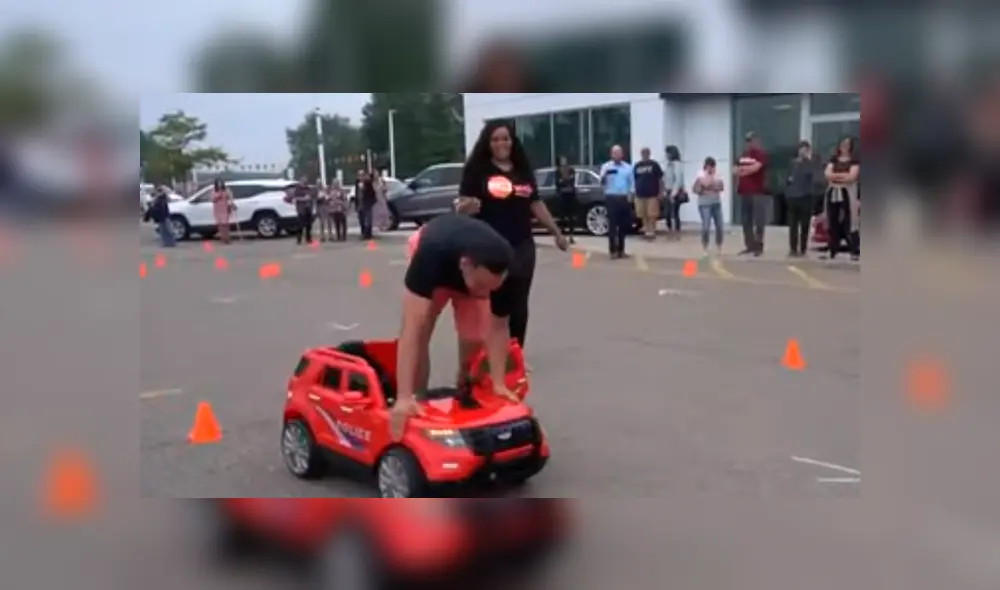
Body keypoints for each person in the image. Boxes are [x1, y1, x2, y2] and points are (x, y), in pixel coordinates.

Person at [391, 213, 516, 440]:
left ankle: (464, 384)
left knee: (475, 337)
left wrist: (499, 383)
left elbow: (499, 327)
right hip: (435, 258)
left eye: (491, 289)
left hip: (468, 264)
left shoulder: (504, 272)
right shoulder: (430, 255)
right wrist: (402, 396)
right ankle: (417, 398)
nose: (486, 293)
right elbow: (410, 331)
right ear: (465, 265)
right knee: (421, 332)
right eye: (481, 285)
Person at [453, 119, 568, 353]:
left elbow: (535, 204)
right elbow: (461, 204)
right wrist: (466, 207)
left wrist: (556, 232)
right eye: (495, 139)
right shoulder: (478, 171)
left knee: (519, 301)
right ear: (488, 143)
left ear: (512, 141)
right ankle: (490, 352)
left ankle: (515, 353)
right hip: (489, 246)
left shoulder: (522, 172)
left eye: (505, 138)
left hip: (522, 244)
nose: (501, 143)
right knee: (494, 302)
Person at [823, 136, 860, 261]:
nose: (844, 146)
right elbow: (827, 174)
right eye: (842, 144)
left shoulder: (854, 160)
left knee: (850, 221)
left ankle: (854, 250)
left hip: (847, 192)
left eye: (847, 144)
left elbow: (852, 177)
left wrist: (836, 176)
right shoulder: (833, 159)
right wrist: (842, 176)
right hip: (833, 192)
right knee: (832, 219)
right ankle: (833, 249)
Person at [735, 132, 769, 256]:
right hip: (744, 191)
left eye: (751, 140)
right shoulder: (743, 155)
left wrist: (744, 170)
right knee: (746, 220)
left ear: (757, 141)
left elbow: (757, 168)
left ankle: (758, 246)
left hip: (757, 192)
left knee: (759, 220)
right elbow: (735, 170)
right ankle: (749, 245)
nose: (749, 143)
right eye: (747, 141)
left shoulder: (761, 154)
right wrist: (746, 170)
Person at [785, 140, 821, 257]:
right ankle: (793, 248)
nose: (803, 151)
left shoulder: (811, 163)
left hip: (806, 196)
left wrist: (807, 160)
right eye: (801, 149)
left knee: (805, 224)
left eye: (805, 149)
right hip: (793, 197)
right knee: (793, 224)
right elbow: (787, 178)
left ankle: (803, 248)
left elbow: (815, 177)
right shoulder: (793, 163)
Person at [599, 145, 634, 259]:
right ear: (611, 154)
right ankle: (612, 250)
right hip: (611, 197)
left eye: (619, 153)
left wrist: (631, 194)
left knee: (623, 225)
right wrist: (606, 175)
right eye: (614, 153)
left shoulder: (628, 167)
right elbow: (601, 182)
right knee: (612, 225)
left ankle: (621, 250)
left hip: (624, 197)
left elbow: (632, 183)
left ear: (622, 154)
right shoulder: (606, 166)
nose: (617, 155)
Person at [692, 157, 724, 256]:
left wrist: (707, 186)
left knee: (719, 226)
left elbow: (720, 187)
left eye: (712, 167)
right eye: (708, 167)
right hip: (704, 204)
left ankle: (719, 246)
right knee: (706, 226)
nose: (710, 169)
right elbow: (697, 189)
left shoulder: (717, 174)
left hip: (716, 203)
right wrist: (707, 185)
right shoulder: (700, 174)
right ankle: (705, 247)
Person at [632, 147, 664, 240]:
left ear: (649, 154)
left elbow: (660, 179)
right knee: (642, 213)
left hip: (652, 194)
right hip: (640, 193)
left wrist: (661, 192)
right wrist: (633, 191)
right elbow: (635, 179)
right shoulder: (637, 165)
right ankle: (646, 229)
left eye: (646, 153)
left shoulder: (654, 164)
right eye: (643, 153)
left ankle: (652, 230)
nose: (644, 154)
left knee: (652, 213)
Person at [663, 145, 686, 239]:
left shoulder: (677, 165)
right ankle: (670, 230)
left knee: (674, 213)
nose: (666, 155)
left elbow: (678, 180)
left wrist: (673, 193)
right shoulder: (668, 164)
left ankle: (676, 232)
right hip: (668, 190)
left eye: (667, 153)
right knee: (667, 213)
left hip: (674, 192)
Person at [555, 156, 577, 244]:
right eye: (562, 160)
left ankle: (571, 236)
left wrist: (563, 180)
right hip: (562, 196)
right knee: (562, 217)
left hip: (570, 195)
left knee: (571, 217)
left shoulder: (571, 170)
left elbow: (572, 180)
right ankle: (562, 236)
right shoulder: (557, 171)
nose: (564, 162)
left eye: (565, 160)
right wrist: (565, 180)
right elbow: (558, 182)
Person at [355, 170, 376, 240]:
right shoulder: (357, 183)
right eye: (359, 175)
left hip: (367, 203)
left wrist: (364, 188)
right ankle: (363, 232)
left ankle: (368, 234)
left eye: (362, 175)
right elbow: (356, 193)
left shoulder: (368, 183)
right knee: (361, 220)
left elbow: (372, 193)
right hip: (360, 204)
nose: (360, 177)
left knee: (368, 220)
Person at [211, 179, 234, 244]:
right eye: (218, 183)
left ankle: (227, 237)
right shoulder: (214, 191)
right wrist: (219, 195)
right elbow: (212, 200)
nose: (219, 185)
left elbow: (230, 197)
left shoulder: (226, 190)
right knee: (220, 224)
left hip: (225, 208)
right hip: (217, 209)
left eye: (220, 183)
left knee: (226, 224)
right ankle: (223, 238)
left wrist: (231, 203)